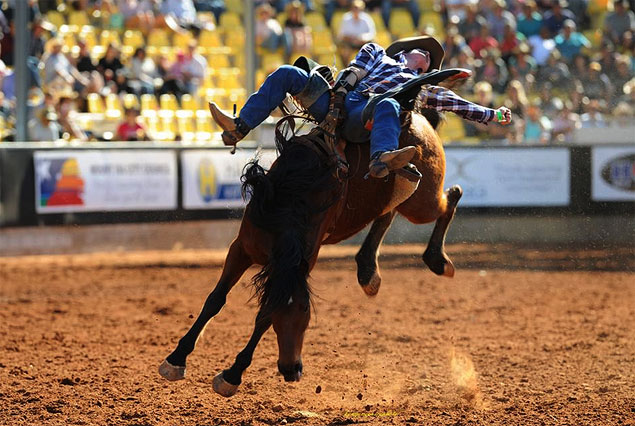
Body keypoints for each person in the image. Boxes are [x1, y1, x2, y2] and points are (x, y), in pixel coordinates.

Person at [208, 37, 512, 179]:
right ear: (405, 53)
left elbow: (454, 103)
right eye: (423, 53)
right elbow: (356, 70)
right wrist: (338, 96)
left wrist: (493, 114)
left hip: (364, 115)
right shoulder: (377, 52)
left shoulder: (421, 86)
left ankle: (381, 159)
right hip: (336, 101)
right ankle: (240, 127)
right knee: (289, 72)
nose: (426, 57)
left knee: (390, 103)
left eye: (430, 60)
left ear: (426, 70)